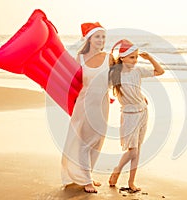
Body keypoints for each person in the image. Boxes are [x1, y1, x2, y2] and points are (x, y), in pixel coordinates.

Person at [61, 22, 114, 193]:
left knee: (97, 141)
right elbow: (72, 82)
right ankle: (86, 181)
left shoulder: (109, 58)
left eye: (103, 37)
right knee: (84, 142)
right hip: (84, 105)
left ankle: (87, 174)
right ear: (89, 39)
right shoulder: (80, 58)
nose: (101, 40)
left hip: (103, 105)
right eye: (97, 36)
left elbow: (117, 80)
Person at [108, 39, 164, 192]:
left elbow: (160, 71)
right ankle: (117, 169)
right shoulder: (114, 73)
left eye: (136, 57)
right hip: (129, 115)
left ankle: (132, 182)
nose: (135, 60)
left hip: (143, 112)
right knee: (132, 151)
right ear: (123, 57)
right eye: (132, 57)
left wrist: (150, 58)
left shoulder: (138, 70)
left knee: (137, 149)